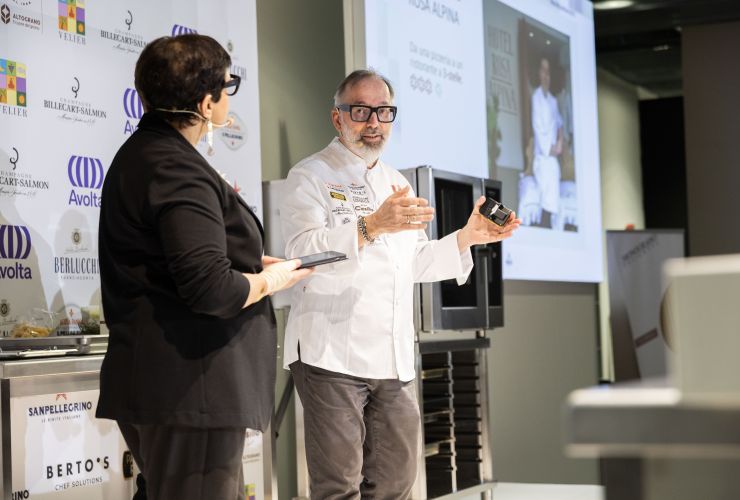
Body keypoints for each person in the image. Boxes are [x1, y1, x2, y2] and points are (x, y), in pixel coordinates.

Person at [279, 69, 521, 499]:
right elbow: (303, 253)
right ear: (338, 118)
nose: (373, 121)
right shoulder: (310, 175)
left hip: (391, 357)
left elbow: (414, 262)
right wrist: (370, 225)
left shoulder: (396, 181)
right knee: (338, 486)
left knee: (397, 482)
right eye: (361, 110)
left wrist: (468, 237)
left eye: (384, 111)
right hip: (330, 353)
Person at [96, 34, 311, 500]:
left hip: (167, 387)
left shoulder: (143, 155)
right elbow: (211, 290)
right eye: (227, 85)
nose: (229, 95)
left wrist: (250, 265)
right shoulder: (176, 167)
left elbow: (177, 261)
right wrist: (268, 280)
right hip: (191, 390)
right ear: (204, 100)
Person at [530, 57, 564, 229]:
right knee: (548, 173)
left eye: (548, 71)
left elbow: (559, 123)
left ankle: (549, 221)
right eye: (543, 70)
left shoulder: (553, 100)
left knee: (554, 171)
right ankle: (544, 222)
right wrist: (548, 148)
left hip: (552, 156)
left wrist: (559, 143)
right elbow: (537, 127)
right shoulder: (536, 98)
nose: (546, 75)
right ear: (538, 73)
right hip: (542, 156)